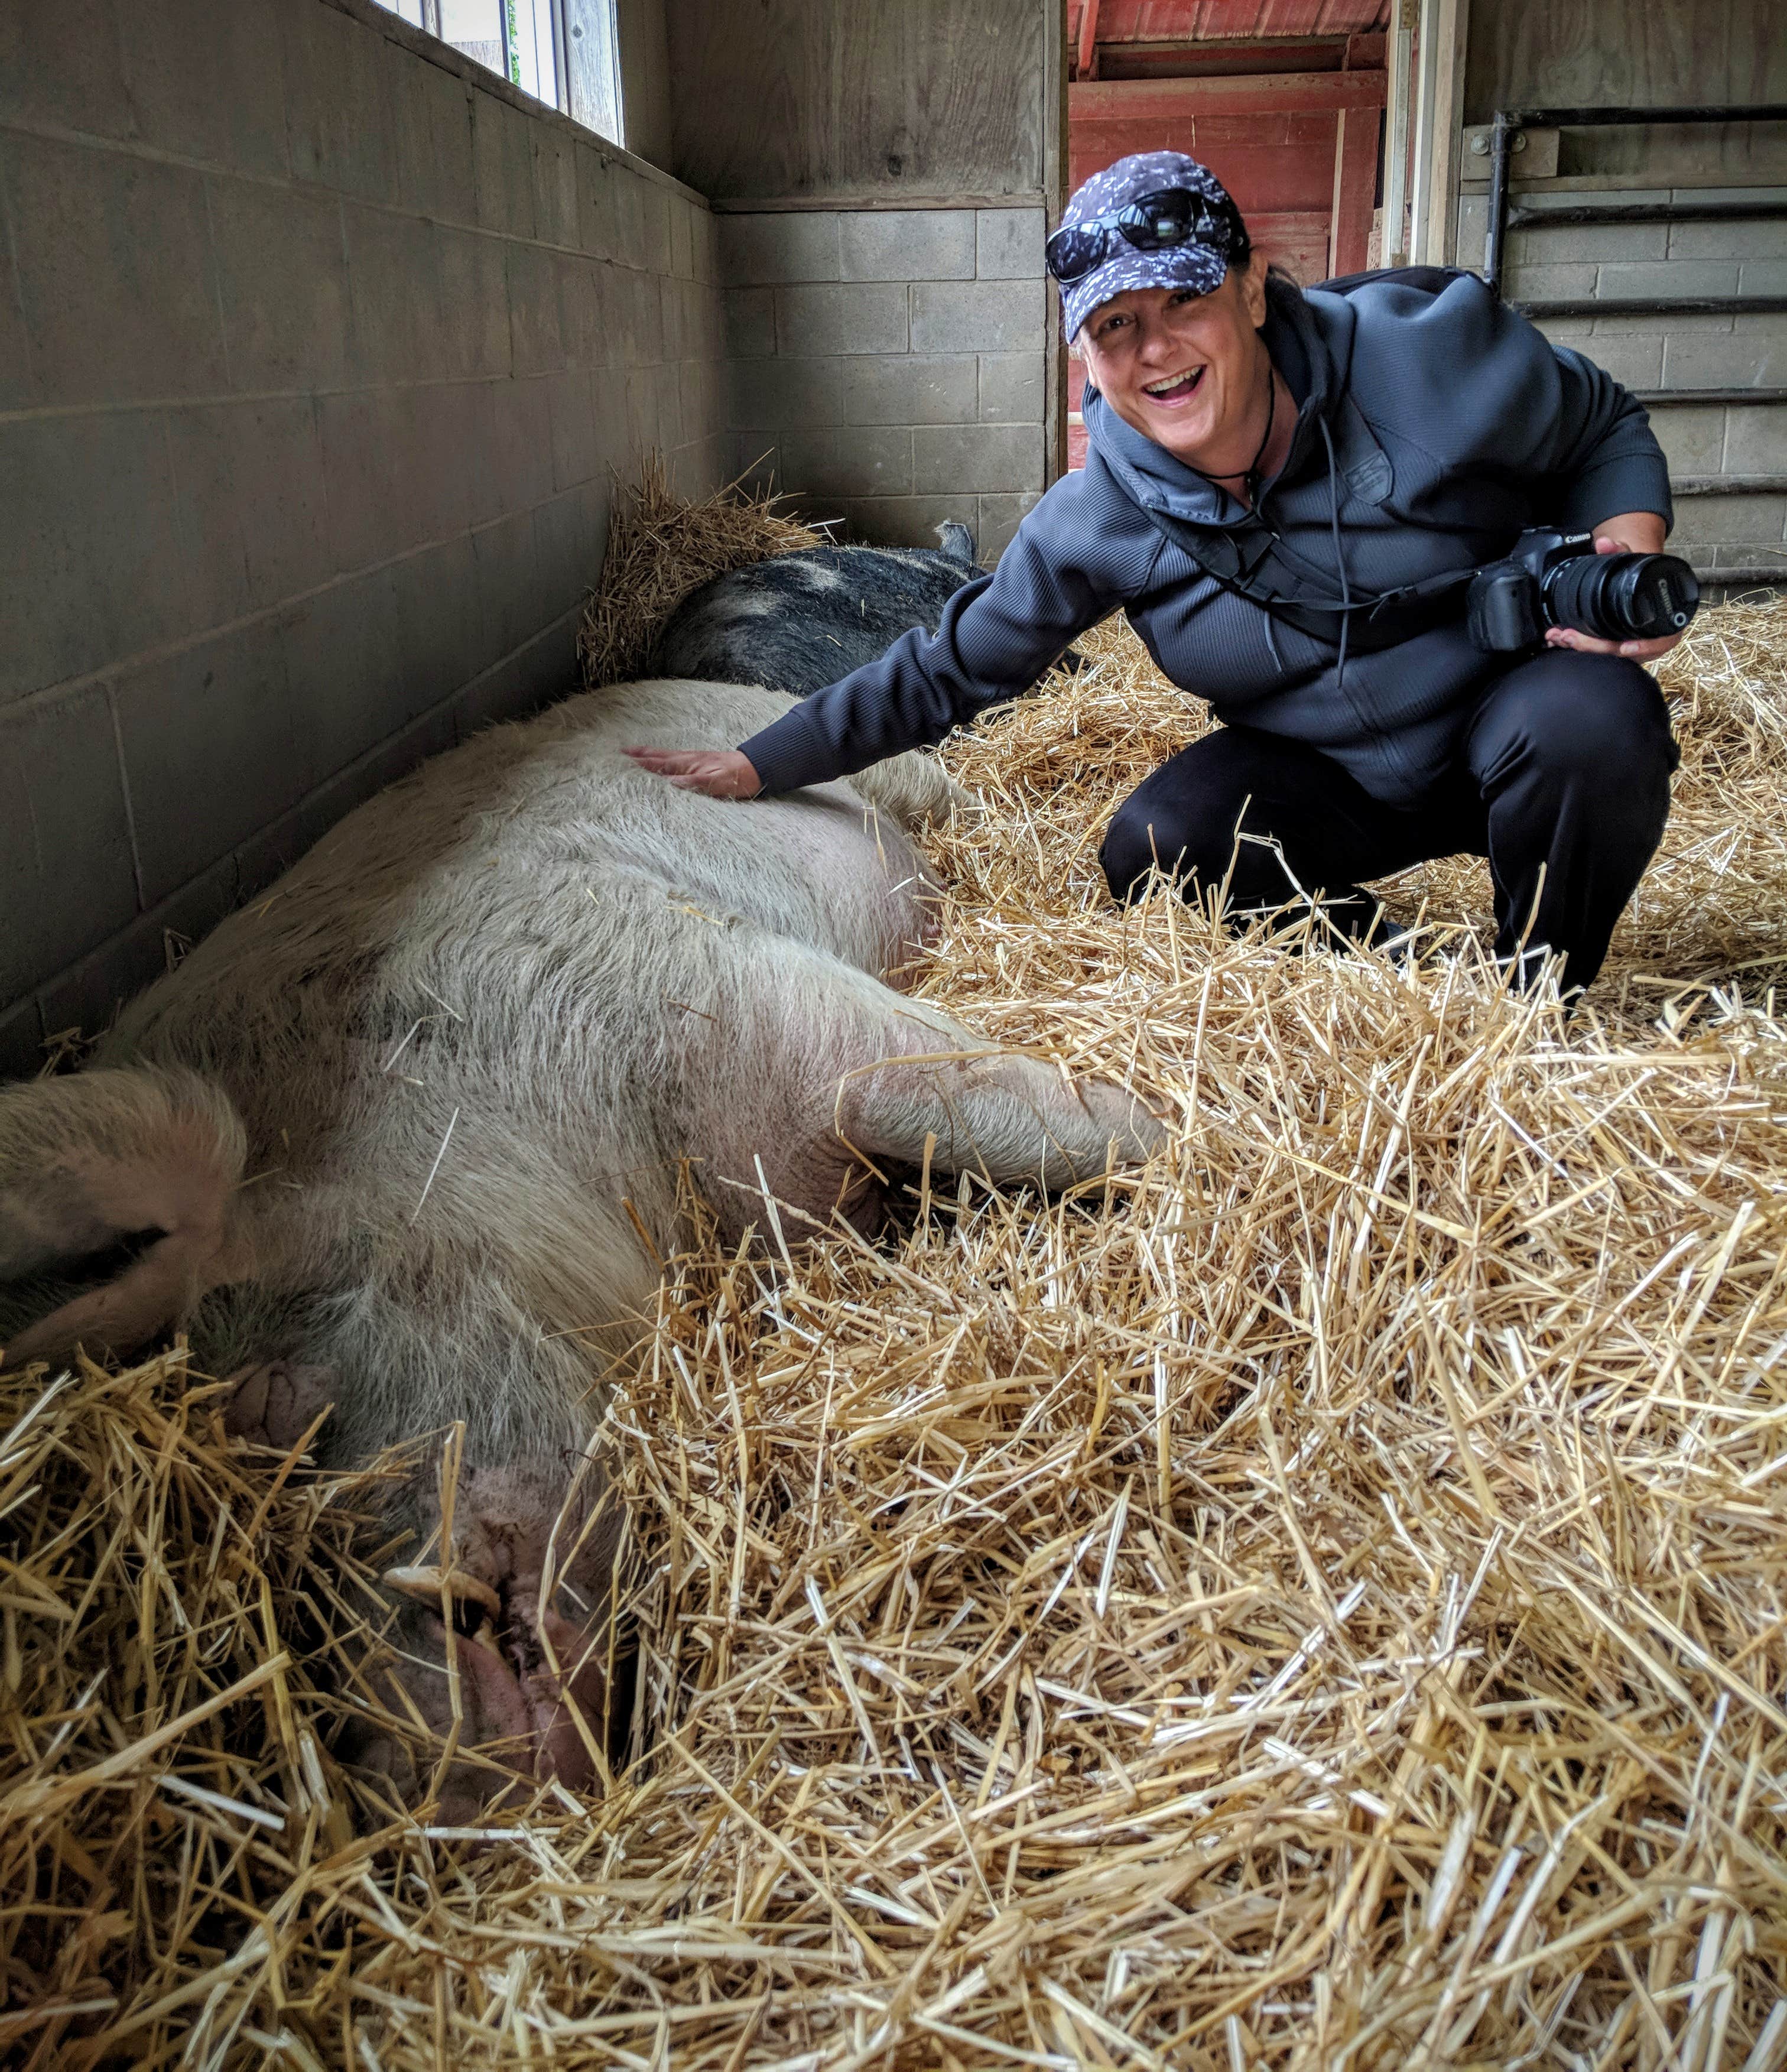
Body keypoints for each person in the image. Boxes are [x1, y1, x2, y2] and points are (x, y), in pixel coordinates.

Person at [626, 151, 1684, 996]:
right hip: (1330, 779)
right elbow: (950, 668)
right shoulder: (1095, 519)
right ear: (1086, 357)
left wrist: (1624, 539)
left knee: (1597, 719)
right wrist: (761, 762)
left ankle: (1540, 996)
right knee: (1155, 847)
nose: (1155, 349)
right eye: (1113, 325)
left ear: (1254, 291)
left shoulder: (1423, 357)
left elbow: (1605, 423)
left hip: (1505, 721)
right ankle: (1409, 978)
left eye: (1181, 300)